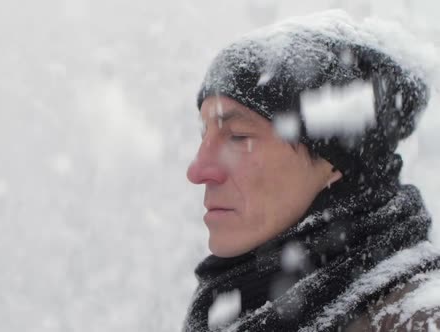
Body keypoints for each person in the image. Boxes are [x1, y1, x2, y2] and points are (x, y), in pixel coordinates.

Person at [183, 10, 440, 332]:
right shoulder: (243, 305)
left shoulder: (418, 321)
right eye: (203, 135)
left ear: (336, 162)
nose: (198, 170)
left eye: (237, 137)